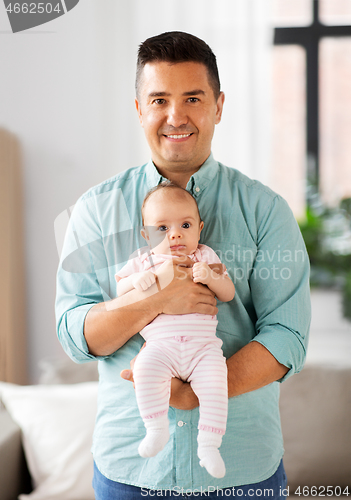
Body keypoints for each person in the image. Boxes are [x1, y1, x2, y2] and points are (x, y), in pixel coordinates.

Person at [55, 31, 311, 499]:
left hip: (243, 469)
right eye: (159, 99)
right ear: (138, 109)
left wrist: (201, 394)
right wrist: (153, 298)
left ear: (218, 106)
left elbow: (288, 335)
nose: (176, 116)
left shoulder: (266, 211)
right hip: (130, 471)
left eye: (193, 97)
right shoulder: (95, 210)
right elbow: (74, 333)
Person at [116, 181, 235, 478]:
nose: (175, 234)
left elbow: (229, 292)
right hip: (160, 347)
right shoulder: (144, 261)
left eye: (185, 224)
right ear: (146, 235)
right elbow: (119, 288)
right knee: (143, 370)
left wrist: (210, 276)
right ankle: (156, 428)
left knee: (217, 385)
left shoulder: (205, 256)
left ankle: (209, 444)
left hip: (203, 349)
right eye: (162, 228)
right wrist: (137, 282)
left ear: (199, 228)